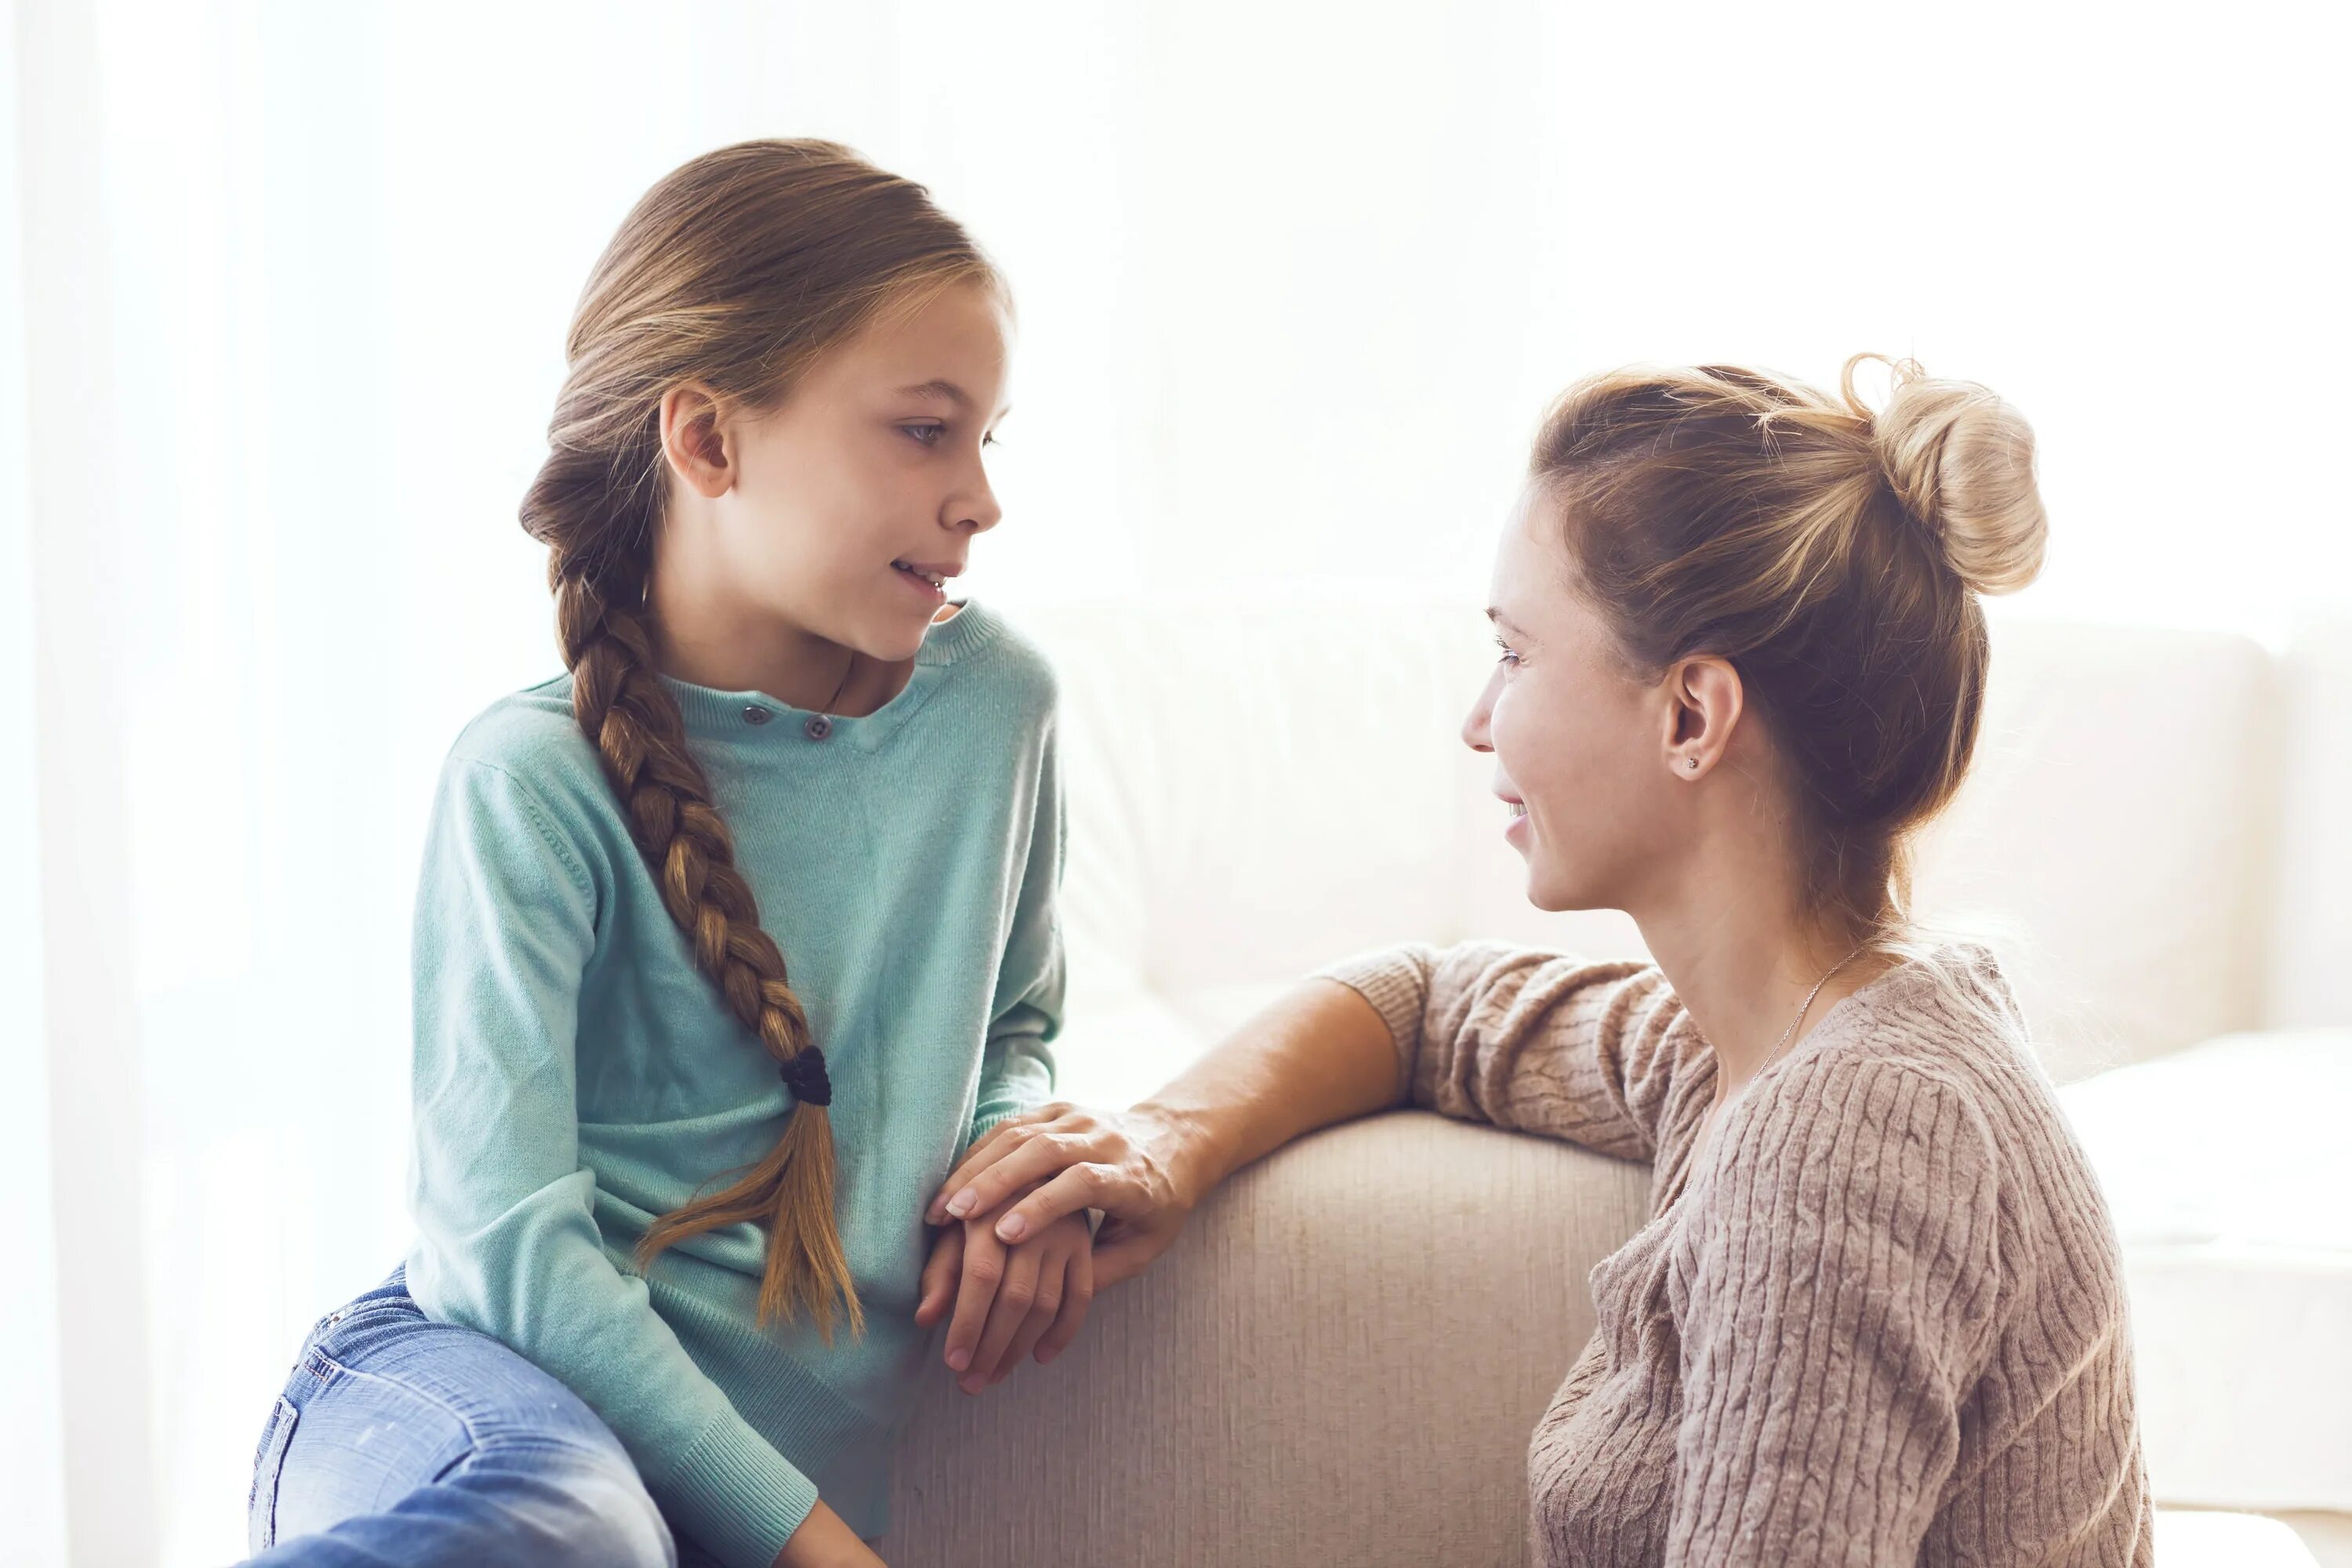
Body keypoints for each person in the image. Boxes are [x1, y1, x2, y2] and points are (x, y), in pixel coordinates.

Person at [931, 357, 2155, 1564]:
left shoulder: (1847, 1135)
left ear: (1691, 716)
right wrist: (1167, 1139)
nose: (1477, 721)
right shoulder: (1753, 1046)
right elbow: (1429, 1005)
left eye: (1515, 653)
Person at [241, 140, 1091, 1568]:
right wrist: (811, 1542)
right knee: (571, 1530)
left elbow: (1016, 1025)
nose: (982, 500)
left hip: (683, 1492)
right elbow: (503, 1252)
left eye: (989, 439)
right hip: (472, 1391)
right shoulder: (531, 783)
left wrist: (1019, 1167)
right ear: (707, 440)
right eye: (924, 430)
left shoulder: (1000, 711)